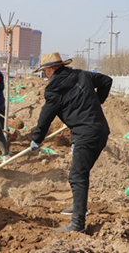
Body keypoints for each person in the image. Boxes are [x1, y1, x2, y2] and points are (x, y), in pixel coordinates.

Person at [30, 53, 112, 233]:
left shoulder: (53, 90)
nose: (45, 75)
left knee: (76, 176)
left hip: (85, 134)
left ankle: (77, 224)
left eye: (45, 71)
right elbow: (107, 81)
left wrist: (36, 139)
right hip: (100, 130)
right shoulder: (82, 75)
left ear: (52, 69)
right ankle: (78, 206)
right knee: (81, 172)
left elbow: (45, 117)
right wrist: (97, 102)